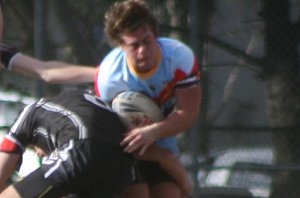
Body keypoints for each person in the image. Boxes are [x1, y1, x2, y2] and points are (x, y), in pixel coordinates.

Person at [0, 0, 202, 197]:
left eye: (147, 41)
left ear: (156, 35)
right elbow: (114, 135)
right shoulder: (109, 78)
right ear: (120, 46)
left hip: (157, 133)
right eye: (134, 45)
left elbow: (187, 113)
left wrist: (153, 131)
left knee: (169, 192)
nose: (143, 51)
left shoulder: (178, 57)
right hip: (124, 145)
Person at [0, 89, 193, 198]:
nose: (40, 154)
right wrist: (186, 189)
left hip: (80, 148)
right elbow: (163, 157)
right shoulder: (116, 133)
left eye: (35, 148)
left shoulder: (32, 111)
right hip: (118, 170)